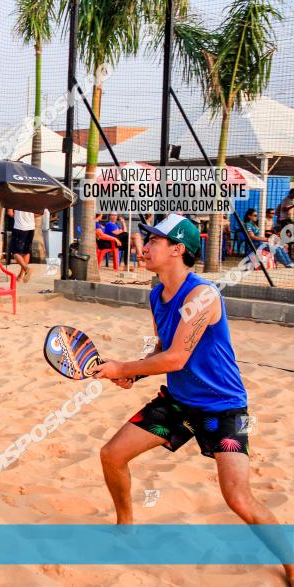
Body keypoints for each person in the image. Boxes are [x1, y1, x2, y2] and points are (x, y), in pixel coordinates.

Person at [94, 213, 293, 585]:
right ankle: (125, 528)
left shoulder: (202, 295)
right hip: (179, 404)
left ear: (177, 250)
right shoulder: (157, 294)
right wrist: (136, 372)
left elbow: (176, 358)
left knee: (239, 499)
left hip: (224, 409)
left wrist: (122, 367)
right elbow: (163, 347)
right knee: (112, 455)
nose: (145, 245)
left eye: (153, 240)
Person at [7, 209, 34, 283]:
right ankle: (21, 276)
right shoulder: (34, 198)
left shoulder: (16, 198)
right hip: (31, 227)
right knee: (26, 251)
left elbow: (9, 212)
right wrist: (29, 217)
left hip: (19, 227)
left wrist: (19, 217)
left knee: (14, 251)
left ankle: (26, 268)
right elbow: (40, 213)